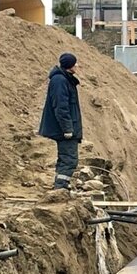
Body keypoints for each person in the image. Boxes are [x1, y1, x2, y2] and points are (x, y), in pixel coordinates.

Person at [38, 53, 83, 190]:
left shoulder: (64, 79)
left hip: (65, 128)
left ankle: (61, 186)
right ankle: (61, 188)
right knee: (69, 159)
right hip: (63, 130)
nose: (77, 65)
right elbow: (61, 107)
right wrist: (67, 128)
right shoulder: (60, 80)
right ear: (69, 65)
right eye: (75, 63)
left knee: (65, 158)